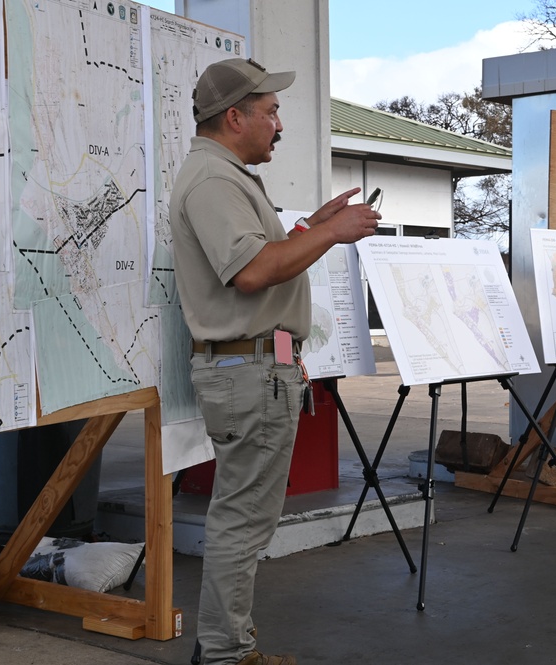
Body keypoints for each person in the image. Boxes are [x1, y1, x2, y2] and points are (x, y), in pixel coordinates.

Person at [169, 58, 380, 665]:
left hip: (258, 372)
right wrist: (333, 233)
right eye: (270, 111)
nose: (279, 123)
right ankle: (227, 655)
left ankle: (227, 649)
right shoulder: (213, 181)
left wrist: (312, 224)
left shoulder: (227, 175)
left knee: (245, 520)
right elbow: (255, 271)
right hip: (249, 374)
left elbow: (263, 253)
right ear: (234, 117)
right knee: (241, 522)